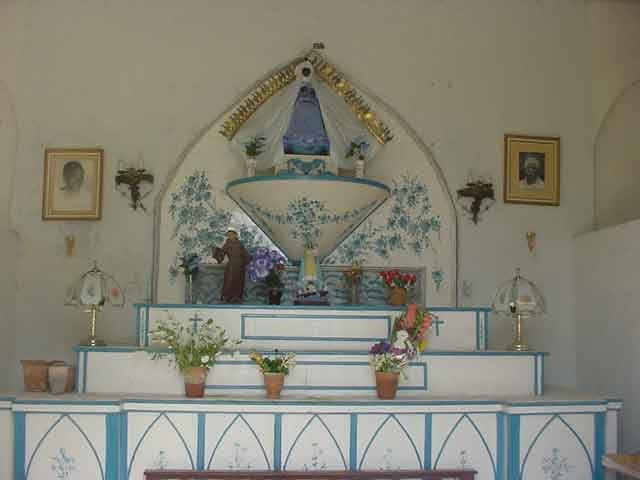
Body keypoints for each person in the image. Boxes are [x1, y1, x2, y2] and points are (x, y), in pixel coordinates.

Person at [212, 228, 251, 303]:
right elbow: (221, 254)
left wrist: (247, 260)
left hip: (240, 266)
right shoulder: (227, 244)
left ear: (235, 235)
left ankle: (237, 297)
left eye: (231, 235)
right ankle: (226, 297)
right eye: (228, 235)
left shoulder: (240, 244)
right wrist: (216, 251)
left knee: (239, 281)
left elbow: (245, 254)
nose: (230, 236)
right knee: (229, 281)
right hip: (231, 265)